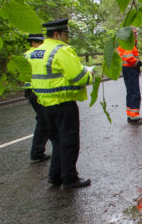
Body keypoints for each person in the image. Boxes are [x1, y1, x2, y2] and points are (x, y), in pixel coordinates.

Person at [26, 18, 93, 189]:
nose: (67, 38)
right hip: (63, 103)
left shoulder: (34, 52)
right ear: (57, 34)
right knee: (69, 141)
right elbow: (80, 78)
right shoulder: (61, 51)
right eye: (66, 34)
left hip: (43, 104)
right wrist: (89, 73)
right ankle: (70, 178)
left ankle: (55, 176)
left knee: (57, 141)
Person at [24, 33, 50, 163]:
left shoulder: (26, 55)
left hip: (30, 91)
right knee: (43, 121)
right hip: (38, 91)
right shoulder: (39, 54)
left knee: (44, 120)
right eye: (40, 42)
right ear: (34, 42)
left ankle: (38, 151)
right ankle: (37, 152)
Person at [117, 27, 142, 125]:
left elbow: (119, 53)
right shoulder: (128, 44)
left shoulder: (124, 44)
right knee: (135, 94)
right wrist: (137, 62)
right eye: (134, 33)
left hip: (127, 70)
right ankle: (134, 118)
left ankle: (130, 115)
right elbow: (129, 58)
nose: (136, 34)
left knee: (130, 93)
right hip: (131, 70)